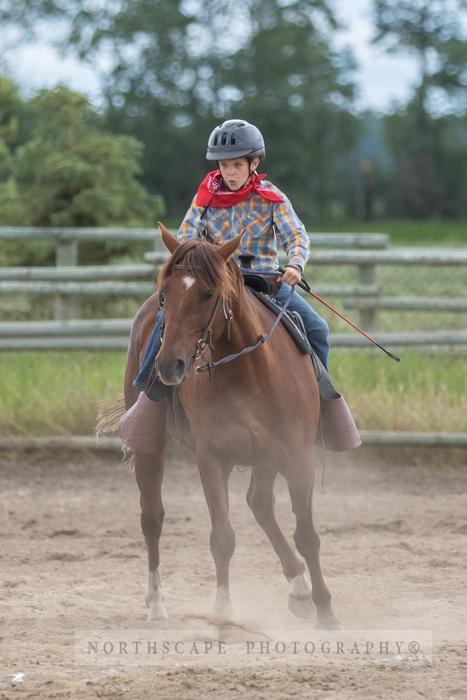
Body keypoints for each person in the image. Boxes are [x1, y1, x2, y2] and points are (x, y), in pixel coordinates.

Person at [134, 118, 330, 396]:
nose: (230, 172)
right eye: (224, 165)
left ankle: (321, 401)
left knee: (318, 329)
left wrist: (295, 265)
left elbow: (296, 236)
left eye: (237, 165)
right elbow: (186, 239)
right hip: (214, 284)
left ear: (254, 164)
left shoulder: (272, 198)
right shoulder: (205, 198)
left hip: (266, 282)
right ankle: (150, 393)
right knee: (165, 322)